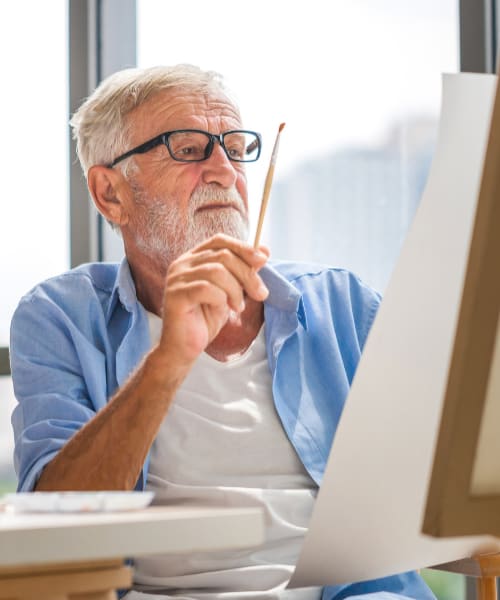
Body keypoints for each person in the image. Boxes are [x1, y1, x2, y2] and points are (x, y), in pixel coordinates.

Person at [9, 64, 434, 600]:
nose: (224, 171)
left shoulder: (342, 303)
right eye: (188, 149)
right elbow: (52, 530)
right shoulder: (59, 317)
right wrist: (170, 358)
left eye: (235, 147)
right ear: (110, 193)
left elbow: (445, 475)